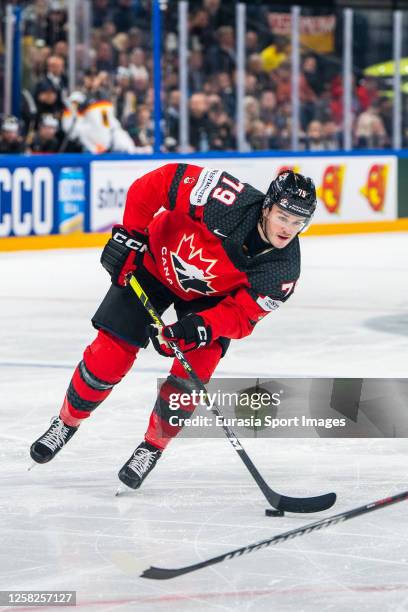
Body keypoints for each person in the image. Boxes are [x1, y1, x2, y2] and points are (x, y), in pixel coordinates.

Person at [30, 166, 317, 490]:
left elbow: (242, 315)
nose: (288, 229)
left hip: (209, 302)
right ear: (267, 205)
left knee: (191, 375)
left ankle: (152, 447)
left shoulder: (284, 268)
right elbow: (155, 184)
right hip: (154, 261)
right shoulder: (226, 199)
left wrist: (199, 328)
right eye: (283, 216)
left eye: (298, 222)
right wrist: (132, 235)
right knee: (109, 355)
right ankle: (66, 423)